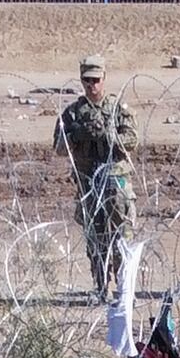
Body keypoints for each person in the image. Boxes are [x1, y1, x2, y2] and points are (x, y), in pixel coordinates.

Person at [52, 56, 137, 298]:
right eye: (87, 80)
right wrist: (76, 135)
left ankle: (123, 289)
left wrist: (108, 135)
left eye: (96, 80)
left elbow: (133, 141)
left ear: (104, 79)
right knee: (95, 239)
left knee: (121, 237)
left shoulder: (118, 109)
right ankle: (100, 287)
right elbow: (58, 147)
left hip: (115, 182)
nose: (92, 86)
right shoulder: (73, 114)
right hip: (88, 182)